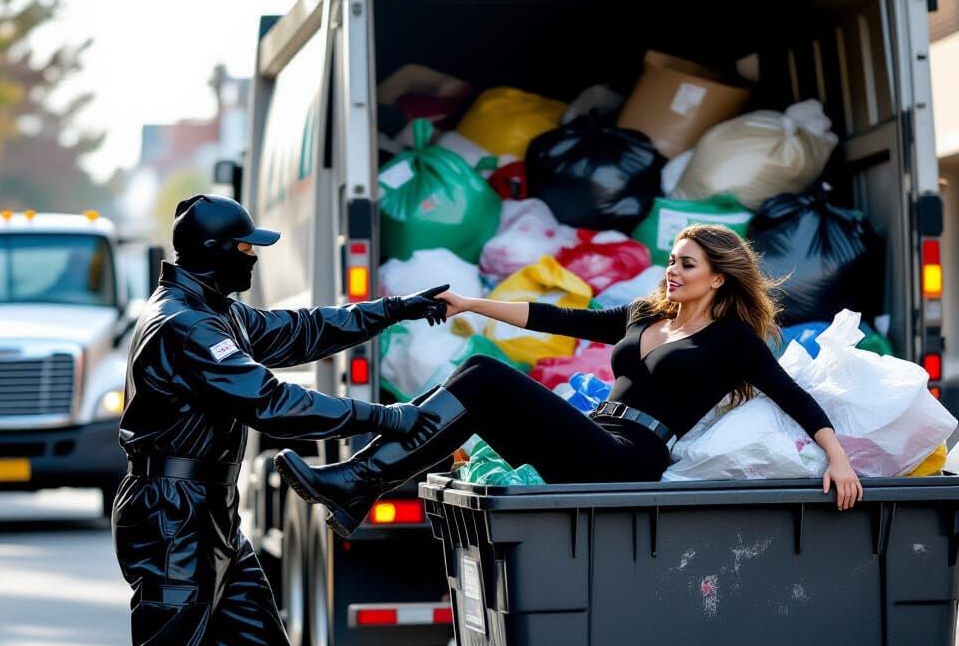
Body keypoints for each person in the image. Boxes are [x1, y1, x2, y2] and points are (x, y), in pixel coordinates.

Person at [81, 194, 448, 646]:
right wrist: (386, 419)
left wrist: (391, 310)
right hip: (171, 514)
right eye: (248, 247)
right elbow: (273, 402)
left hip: (209, 511)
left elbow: (300, 331)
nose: (256, 255)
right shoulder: (183, 325)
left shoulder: (216, 311)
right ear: (219, 253)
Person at [275, 224, 863, 538]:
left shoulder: (732, 340)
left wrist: (837, 459)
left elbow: (792, 394)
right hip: (592, 436)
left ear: (717, 279)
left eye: (687, 264)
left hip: (630, 457)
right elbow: (558, 319)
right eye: (672, 260)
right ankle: (361, 482)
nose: (673, 271)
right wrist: (469, 304)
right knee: (479, 394)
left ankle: (362, 477)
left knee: (482, 376)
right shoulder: (644, 314)